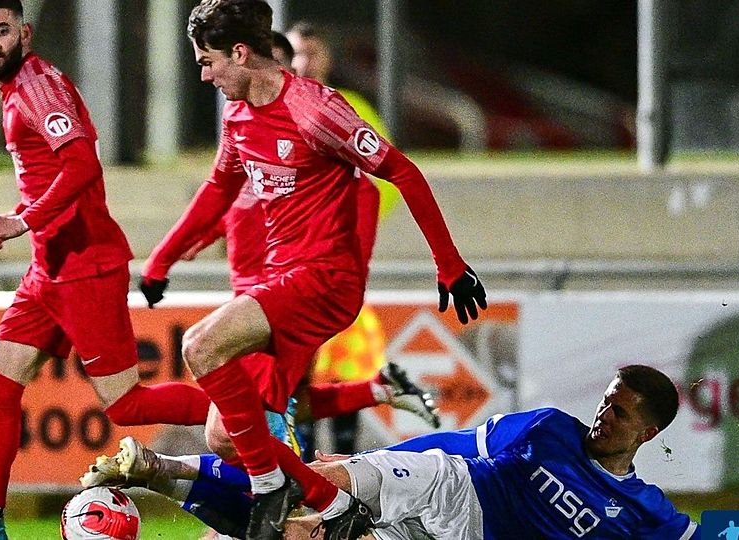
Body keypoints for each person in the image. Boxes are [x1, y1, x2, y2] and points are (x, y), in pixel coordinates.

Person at [123, 1, 487, 538]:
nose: (203, 75)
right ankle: (328, 502)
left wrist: (450, 266)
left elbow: (403, 172)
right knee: (224, 435)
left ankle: (276, 488)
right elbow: (220, 188)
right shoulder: (240, 115)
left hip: (323, 282)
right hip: (279, 282)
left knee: (200, 347)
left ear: (241, 53)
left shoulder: (318, 111)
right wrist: (160, 260)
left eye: (208, 61)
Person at [0, 1, 212, 537]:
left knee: (128, 404)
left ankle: (262, 412)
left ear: (24, 31)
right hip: (48, 270)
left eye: (2, 30)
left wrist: (22, 219)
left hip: (84, 266)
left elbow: (81, 163)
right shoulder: (16, 88)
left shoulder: (38, 85)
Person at [108, 365, 699, 540]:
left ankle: (175, 483)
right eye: (605, 400)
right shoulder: (550, 429)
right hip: (451, 487)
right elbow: (460, 446)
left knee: (297, 537)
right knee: (310, 489)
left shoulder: (645, 511)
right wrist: (372, 474)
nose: (603, 415)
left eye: (619, 413)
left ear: (645, 433)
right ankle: (163, 470)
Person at [287, 21, 406, 457]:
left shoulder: (349, 107)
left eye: (312, 53)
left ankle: (343, 470)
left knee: (342, 367)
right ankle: (294, 477)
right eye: (297, 53)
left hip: (334, 267)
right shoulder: (267, 108)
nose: (304, 62)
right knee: (291, 376)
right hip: (285, 270)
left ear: (328, 59)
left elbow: (386, 179)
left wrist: (351, 232)